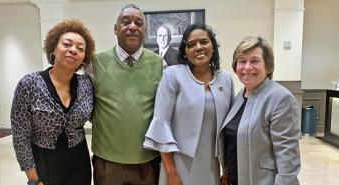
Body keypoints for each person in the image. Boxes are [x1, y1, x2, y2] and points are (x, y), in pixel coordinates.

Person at [144, 24, 235, 185]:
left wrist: (227, 170)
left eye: (204, 42)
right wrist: (171, 172)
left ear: (212, 46)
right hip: (178, 165)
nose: (198, 47)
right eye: (191, 44)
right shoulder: (172, 75)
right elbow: (161, 124)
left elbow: (229, 130)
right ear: (185, 52)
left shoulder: (225, 79)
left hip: (211, 166)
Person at [11, 19, 95, 185]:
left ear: (84, 58)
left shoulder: (87, 84)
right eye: (67, 44)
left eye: (80, 49)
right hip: (44, 163)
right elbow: (20, 136)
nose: (73, 50)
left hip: (79, 162)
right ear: (54, 49)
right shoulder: (29, 84)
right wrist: (34, 180)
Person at [88, 4, 162, 185]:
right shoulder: (95, 63)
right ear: (115, 29)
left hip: (147, 161)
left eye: (138, 23)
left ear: (144, 30)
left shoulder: (160, 64)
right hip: (107, 162)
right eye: (126, 21)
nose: (132, 26)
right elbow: (87, 108)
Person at [218, 36, 301, 185]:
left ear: (268, 66)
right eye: (242, 61)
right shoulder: (241, 95)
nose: (247, 67)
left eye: (254, 61)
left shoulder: (281, 99)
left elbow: (288, 160)